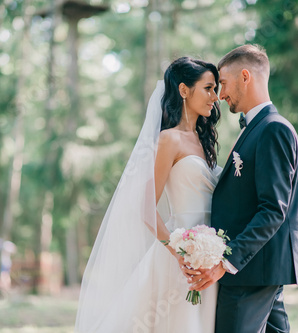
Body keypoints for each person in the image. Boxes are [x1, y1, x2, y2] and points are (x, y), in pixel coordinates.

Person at [75, 57, 221, 332]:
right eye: (209, 88)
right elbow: (145, 208)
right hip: (180, 254)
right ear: (184, 90)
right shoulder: (168, 139)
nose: (216, 96)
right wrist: (179, 252)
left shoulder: (203, 139)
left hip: (210, 256)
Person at [187, 44, 298, 333]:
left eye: (223, 84)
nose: (220, 95)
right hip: (259, 270)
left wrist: (226, 261)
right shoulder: (255, 128)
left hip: (250, 272)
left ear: (245, 76)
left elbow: (273, 210)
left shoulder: (273, 129)